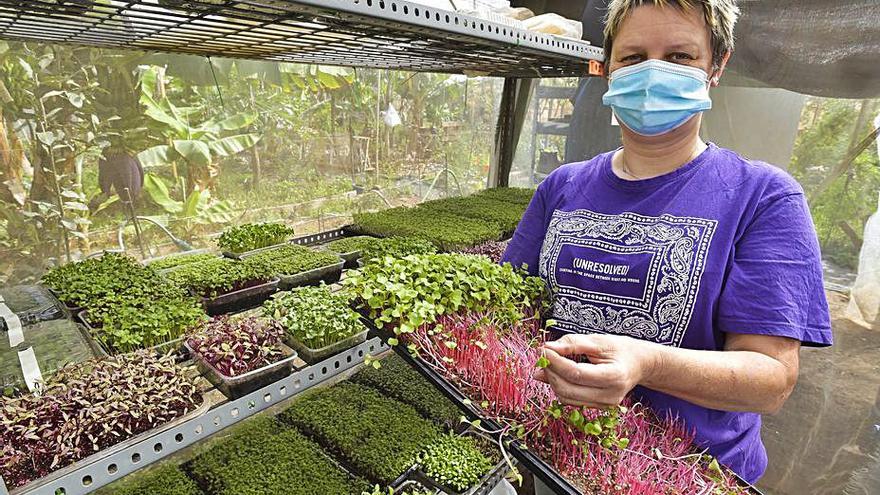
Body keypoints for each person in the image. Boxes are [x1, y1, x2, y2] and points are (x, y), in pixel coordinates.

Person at [501, 0, 833, 484]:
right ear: (608, 67)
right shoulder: (563, 185)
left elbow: (771, 381)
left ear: (716, 65)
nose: (654, 73)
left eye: (680, 56)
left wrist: (646, 362)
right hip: (557, 455)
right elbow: (511, 306)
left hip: (687, 475)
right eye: (633, 57)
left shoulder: (763, 197)